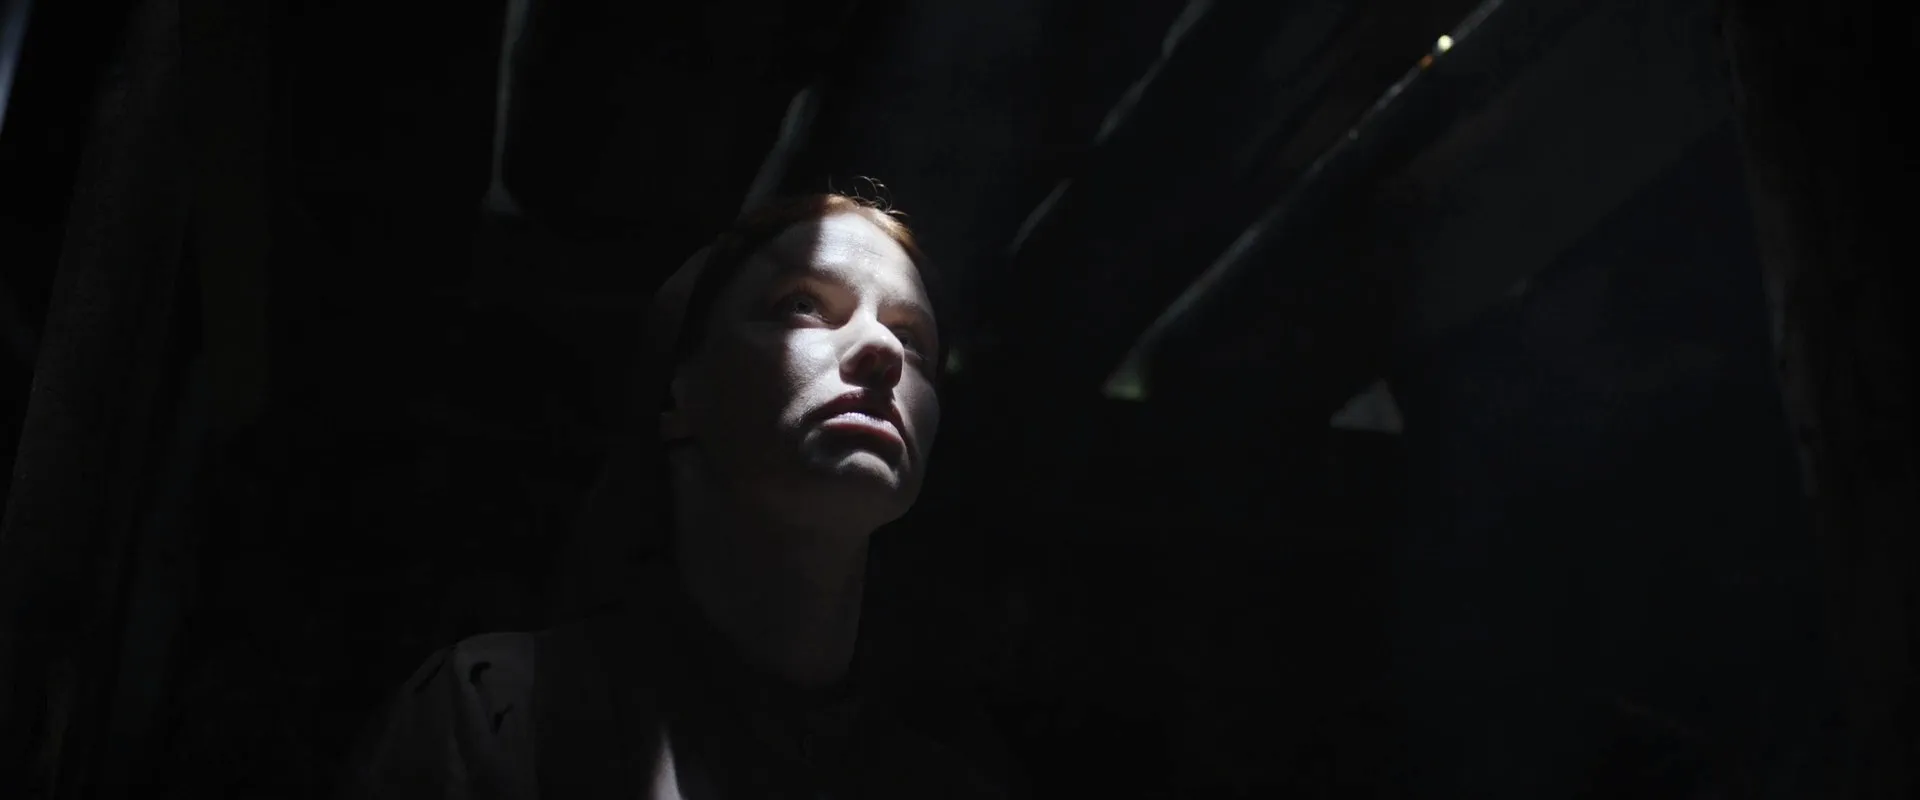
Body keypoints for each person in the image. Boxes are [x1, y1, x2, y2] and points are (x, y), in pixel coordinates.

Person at [334, 193, 1016, 798]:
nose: (882, 350)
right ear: (679, 388)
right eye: (802, 305)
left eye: (912, 338)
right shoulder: (500, 713)